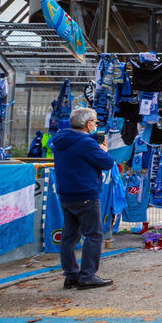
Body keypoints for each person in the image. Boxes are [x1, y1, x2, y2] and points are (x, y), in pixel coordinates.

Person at [51, 107, 116, 289]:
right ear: (88, 124)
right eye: (95, 123)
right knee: (93, 235)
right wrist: (103, 150)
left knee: (69, 237)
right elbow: (107, 163)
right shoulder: (85, 143)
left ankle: (71, 274)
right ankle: (87, 275)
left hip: (66, 194)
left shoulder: (60, 140)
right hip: (85, 193)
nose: (96, 125)